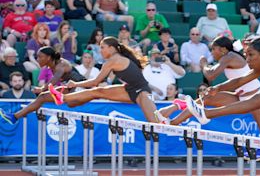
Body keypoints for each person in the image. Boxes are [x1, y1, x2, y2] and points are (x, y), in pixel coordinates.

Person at [158, 37, 260, 160]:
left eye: (214, 49)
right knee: (206, 98)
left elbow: (211, 75)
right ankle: (173, 120)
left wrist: (203, 64)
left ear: (223, 49)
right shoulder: (229, 57)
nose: (212, 52)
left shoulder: (229, 56)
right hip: (240, 96)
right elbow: (232, 80)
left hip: (256, 97)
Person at [0, 37, 162, 125]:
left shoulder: (113, 60)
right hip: (129, 89)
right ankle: (17, 115)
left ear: (111, 48)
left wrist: (74, 85)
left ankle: (179, 106)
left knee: (158, 125)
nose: (100, 49)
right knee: (94, 93)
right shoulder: (117, 59)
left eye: (103, 47)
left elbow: (94, 82)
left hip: (138, 92)